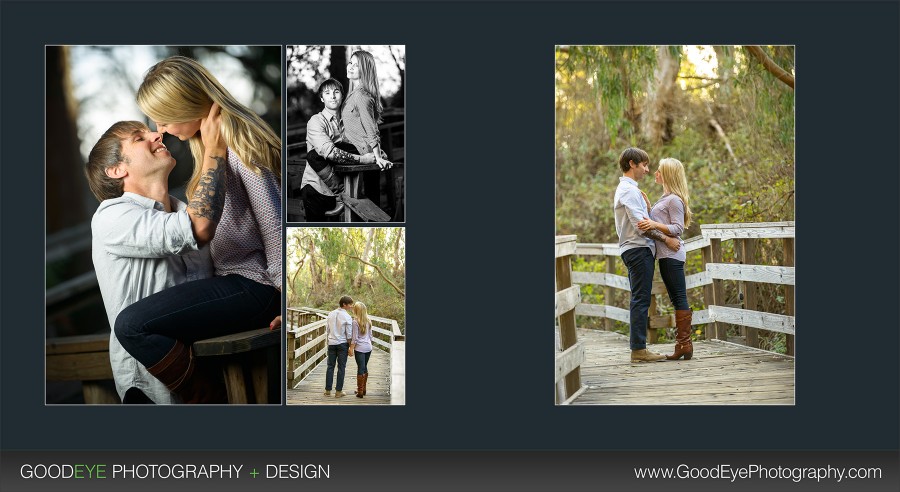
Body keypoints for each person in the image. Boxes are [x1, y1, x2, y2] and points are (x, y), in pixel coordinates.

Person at [112, 56, 283, 404]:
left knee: (132, 325)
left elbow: (274, 221)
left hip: (257, 285)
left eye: (164, 115)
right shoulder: (208, 147)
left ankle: (209, 403)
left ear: (186, 103)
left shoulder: (237, 143)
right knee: (135, 324)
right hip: (236, 283)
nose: (158, 127)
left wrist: (291, 295)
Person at [86, 112, 225, 404]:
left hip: (215, 362)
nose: (157, 135)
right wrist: (215, 149)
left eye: (151, 131)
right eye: (140, 137)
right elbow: (197, 228)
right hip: (154, 388)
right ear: (116, 170)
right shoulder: (111, 217)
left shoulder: (185, 208)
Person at [613, 147, 681, 363]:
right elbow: (642, 227)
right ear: (632, 164)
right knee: (641, 298)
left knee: (640, 297)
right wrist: (667, 239)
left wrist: (648, 207)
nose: (647, 170)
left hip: (636, 248)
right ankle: (639, 350)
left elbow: (643, 220)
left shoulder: (631, 190)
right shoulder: (629, 190)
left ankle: (639, 348)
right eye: (644, 165)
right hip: (638, 248)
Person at [638, 158, 694, 360]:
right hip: (666, 255)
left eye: (659, 171)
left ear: (668, 174)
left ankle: (684, 344)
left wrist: (652, 221)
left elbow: (678, 229)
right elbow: (659, 223)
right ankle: (683, 345)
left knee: (679, 298)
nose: (655, 173)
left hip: (672, 255)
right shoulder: (666, 198)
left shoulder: (674, 200)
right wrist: (648, 207)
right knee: (676, 297)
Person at [300, 78, 377, 221]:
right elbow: (330, 152)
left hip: (346, 185)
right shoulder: (316, 121)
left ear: (342, 95)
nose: (333, 96)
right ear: (322, 98)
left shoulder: (348, 122)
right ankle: (341, 192)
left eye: (336, 92)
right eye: (327, 93)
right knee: (318, 232)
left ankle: (372, 208)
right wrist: (363, 159)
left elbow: (364, 145)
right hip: (317, 189)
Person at [324, 296, 355, 398]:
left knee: (330, 367)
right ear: (344, 305)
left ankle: (327, 391)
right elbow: (349, 334)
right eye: (350, 304)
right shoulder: (347, 317)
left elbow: (327, 329)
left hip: (332, 343)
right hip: (342, 344)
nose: (351, 306)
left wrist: (328, 341)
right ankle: (338, 392)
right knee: (341, 367)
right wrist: (351, 347)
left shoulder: (330, 314)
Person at [349, 301, 374, 398]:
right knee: (364, 366)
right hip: (368, 347)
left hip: (360, 348)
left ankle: (360, 392)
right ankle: (363, 389)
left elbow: (354, 338)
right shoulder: (369, 320)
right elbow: (371, 336)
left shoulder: (355, 322)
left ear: (356, 310)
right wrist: (369, 345)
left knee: (360, 367)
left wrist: (351, 349)